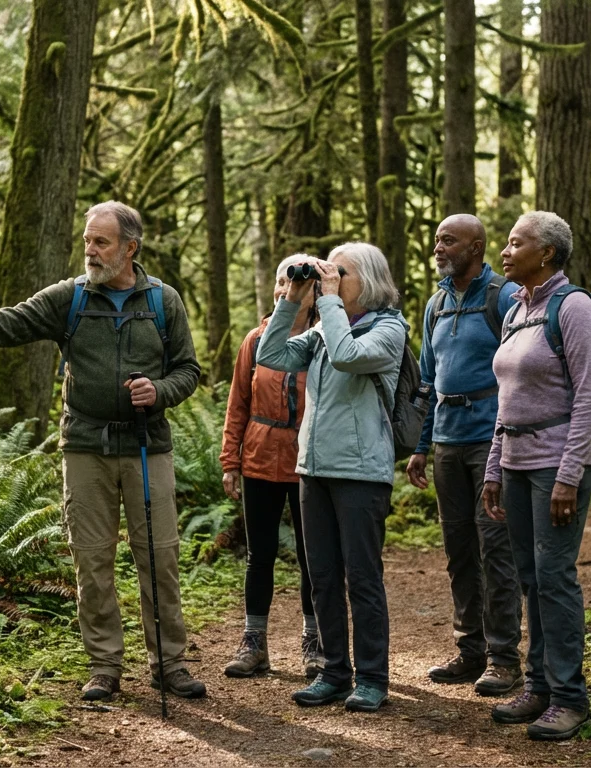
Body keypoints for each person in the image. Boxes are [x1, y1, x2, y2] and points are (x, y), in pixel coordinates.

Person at [0, 201, 207, 703]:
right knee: (91, 559)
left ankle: (169, 663)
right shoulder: (71, 299)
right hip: (84, 446)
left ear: (130, 248)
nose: (90, 250)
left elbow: (189, 370)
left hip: (148, 445)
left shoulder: (164, 302)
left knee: (159, 556)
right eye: (87, 240)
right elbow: (7, 323)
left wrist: (160, 391)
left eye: (101, 242)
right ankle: (104, 666)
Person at [256, 243, 408, 713]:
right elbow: (272, 353)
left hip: (362, 472)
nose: (332, 279)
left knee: (361, 577)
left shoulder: (389, 329)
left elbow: (346, 355)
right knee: (321, 576)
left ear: (369, 279)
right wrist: (291, 298)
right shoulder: (324, 326)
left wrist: (324, 302)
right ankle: (334, 672)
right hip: (314, 468)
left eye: (340, 273)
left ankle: (372, 678)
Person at [481, 211, 591, 741]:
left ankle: (571, 699)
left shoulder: (574, 309)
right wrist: (492, 468)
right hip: (514, 462)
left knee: (554, 578)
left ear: (547, 253)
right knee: (530, 578)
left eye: (515, 243)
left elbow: (589, 398)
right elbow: (506, 401)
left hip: (557, 463)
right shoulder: (515, 310)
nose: (505, 252)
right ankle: (538, 688)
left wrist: (570, 475)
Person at [406, 214, 524, 697]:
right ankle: (470, 649)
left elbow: (520, 373)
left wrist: (505, 437)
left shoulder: (503, 297)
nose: (438, 248)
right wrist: (420, 446)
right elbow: (428, 383)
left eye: (448, 241)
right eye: (437, 240)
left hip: (490, 442)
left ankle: (503, 658)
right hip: (447, 443)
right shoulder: (436, 304)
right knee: (458, 550)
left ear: (475, 248)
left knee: (495, 547)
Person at [219, 254, 321, 680]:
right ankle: (254, 642)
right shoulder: (256, 340)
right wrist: (230, 461)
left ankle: (315, 641)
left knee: (312, 556)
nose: (287, 288)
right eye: (281, 281)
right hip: (260, 455)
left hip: (308, 459)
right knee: (259, 556)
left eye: (295, 282)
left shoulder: (324, 338)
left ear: (316, 289)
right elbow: (237, 402)